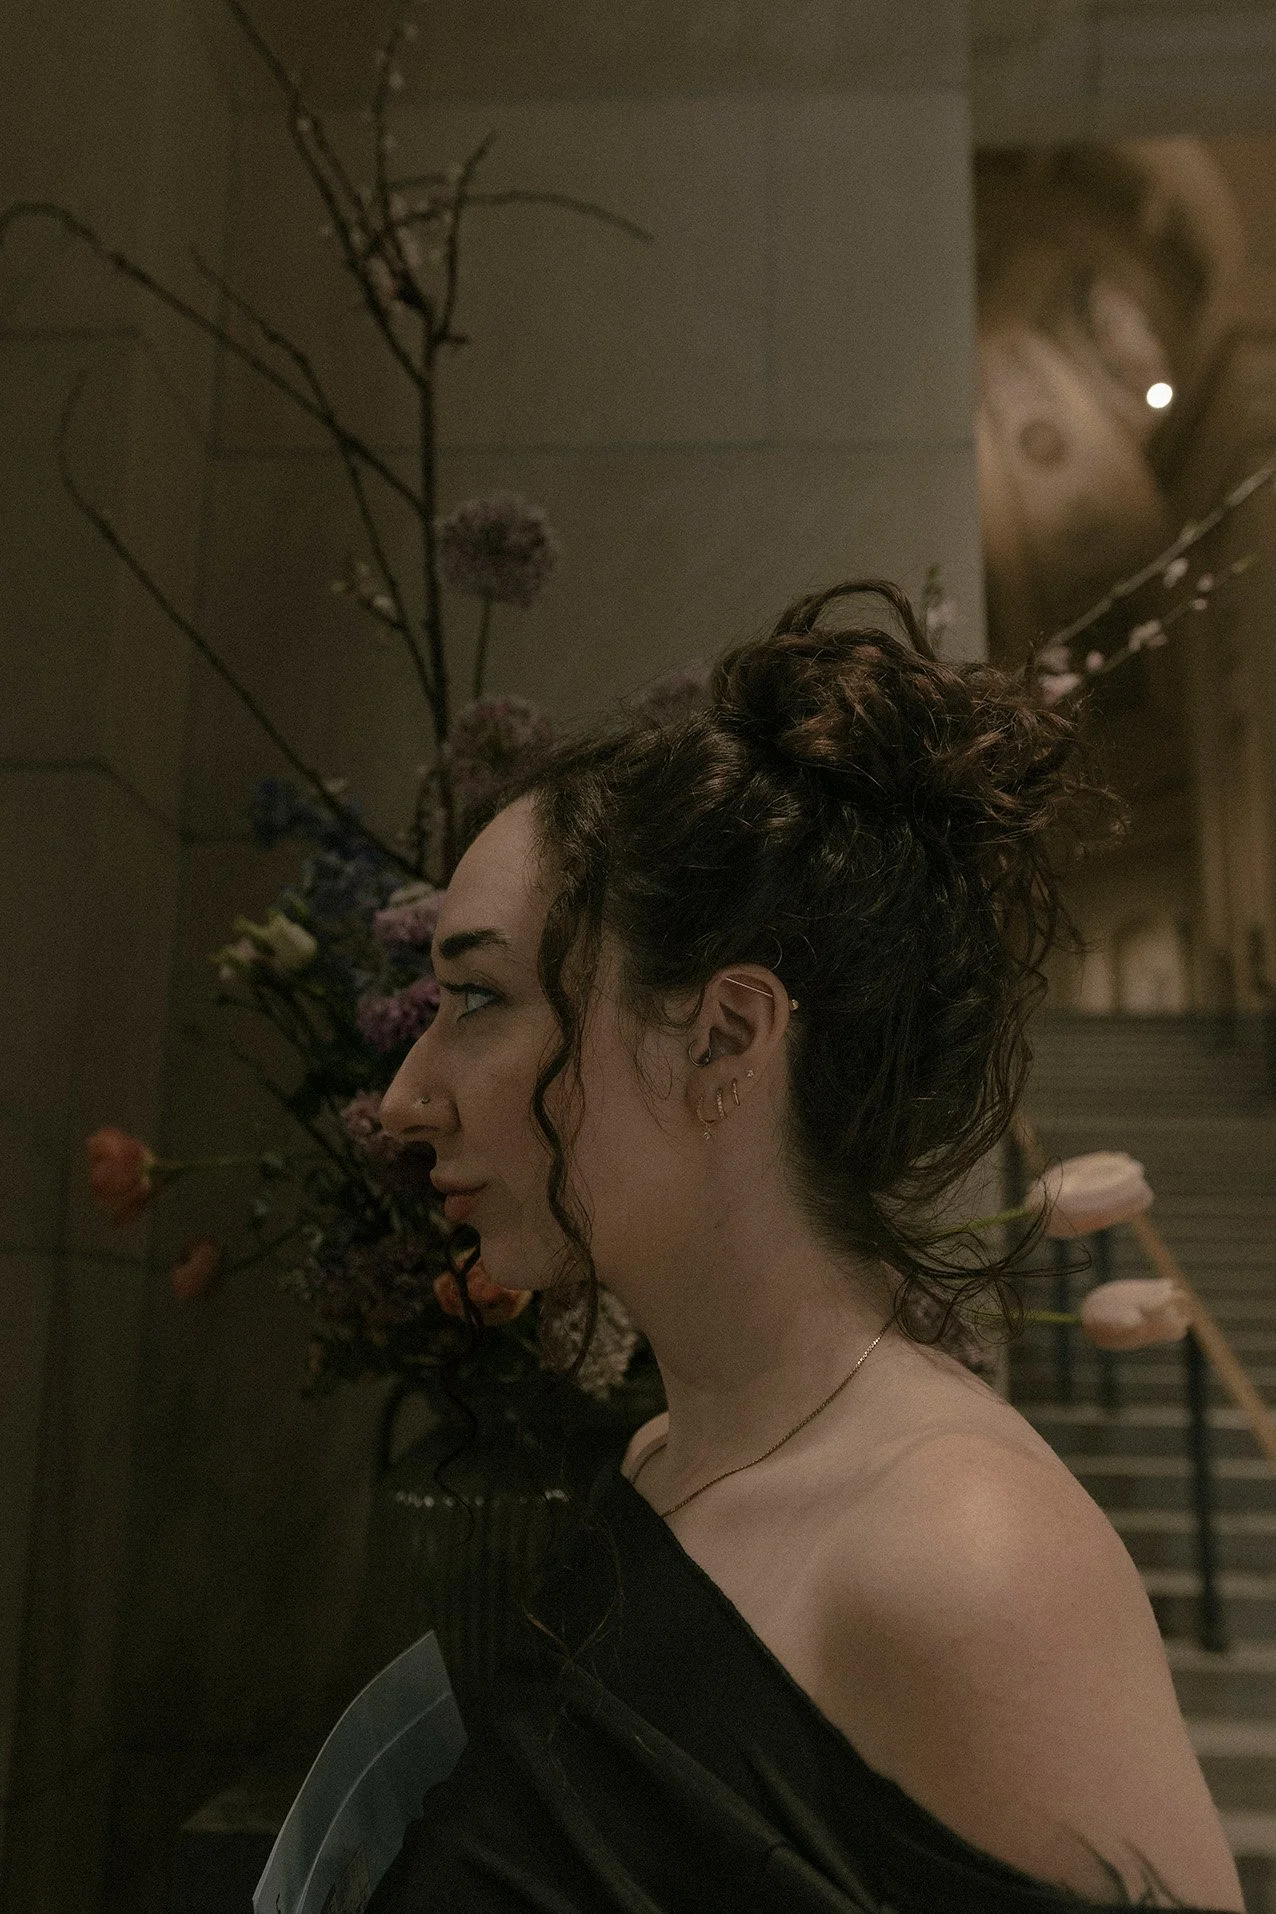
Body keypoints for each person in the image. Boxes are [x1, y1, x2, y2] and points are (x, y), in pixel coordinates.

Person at [372, 580, 1245, 1912]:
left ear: (725, 1036)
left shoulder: (961, 1553)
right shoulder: (671, 1454)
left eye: (481, 999)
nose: (405, 1096)